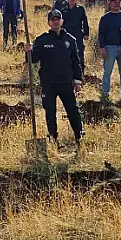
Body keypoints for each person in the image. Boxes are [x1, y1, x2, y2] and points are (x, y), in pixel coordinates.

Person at [27, 9, 84, 150]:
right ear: (49, 23)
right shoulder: (42, 40)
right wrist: (29, 51)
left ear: (62, 21)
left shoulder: (70, 40)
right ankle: (53, 140)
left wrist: (77, 80)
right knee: (50, 112)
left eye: (58, 19)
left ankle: (79, 137)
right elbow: (32, 60)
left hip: (66, 83)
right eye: (53, 19)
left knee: (73, 111)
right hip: (49, 84)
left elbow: (76, 62)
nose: (55, 21)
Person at [96, 0, 121, 104]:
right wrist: (103, 48)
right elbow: (101, 34)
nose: (117, 4)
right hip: (109, 48)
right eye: (115, 2)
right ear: (110, 4)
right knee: (107, 72)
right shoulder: (105, 18)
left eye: (119, 2)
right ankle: (105, 94)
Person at [62, 0, 90, 73]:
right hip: (67, 35)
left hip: (78, 34)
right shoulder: (64, 11)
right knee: (68, 53)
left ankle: (81, 72)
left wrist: (86, 33)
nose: (72, 0)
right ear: (68, 0)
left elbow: (85, 22)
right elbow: (61, 24)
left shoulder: (80, 9)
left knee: (79, 52)